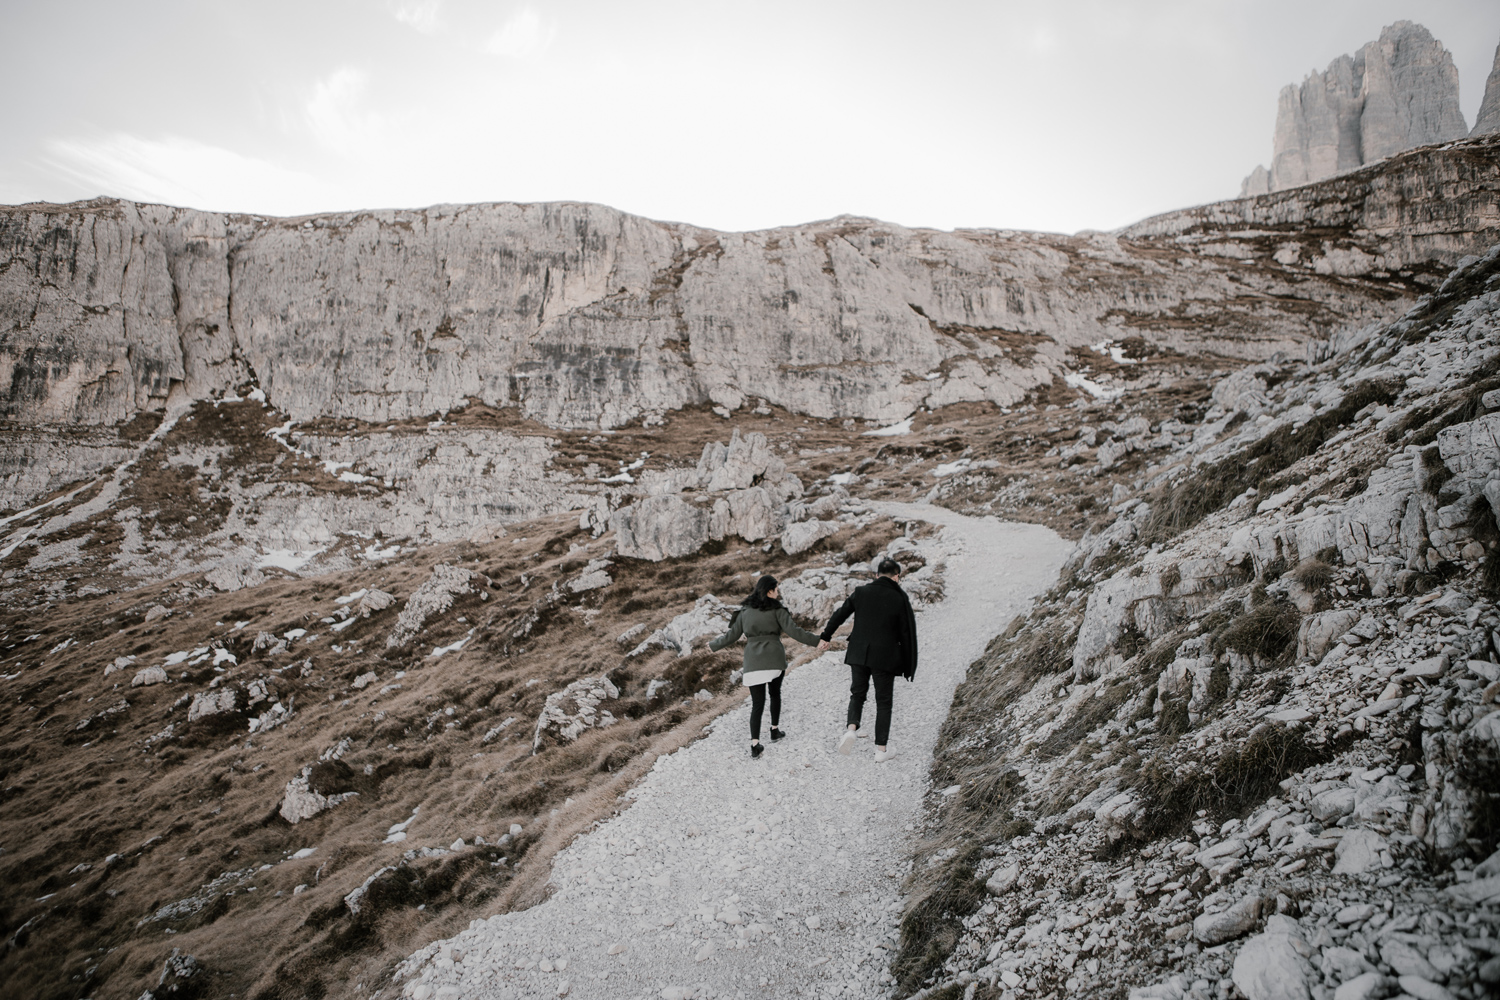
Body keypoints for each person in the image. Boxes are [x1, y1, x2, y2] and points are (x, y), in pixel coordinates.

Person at [709, 575, 822, 758]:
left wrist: (713, 645)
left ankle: (755, 744)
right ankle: (774, 730)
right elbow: (795, 632)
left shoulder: (745, 612)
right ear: (769, 590)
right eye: (776, 589)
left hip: (753, 662)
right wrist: (818, 642)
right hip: (775, 660)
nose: (778, 593)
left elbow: (732, 635)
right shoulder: (778, 610)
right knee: (775, 694)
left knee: (757, 704)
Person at [818, 557, 918, 762]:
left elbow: (840, 614)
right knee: (883, 702)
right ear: (897, 576)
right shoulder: (899, 598)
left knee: (857, 693)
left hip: (859, 652)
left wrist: (826, 636)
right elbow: (907, 634)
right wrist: (909, 666)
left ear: (876, 574)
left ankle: (851, 728)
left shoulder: (861, 592)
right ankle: (881, 750)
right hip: (885, 656)